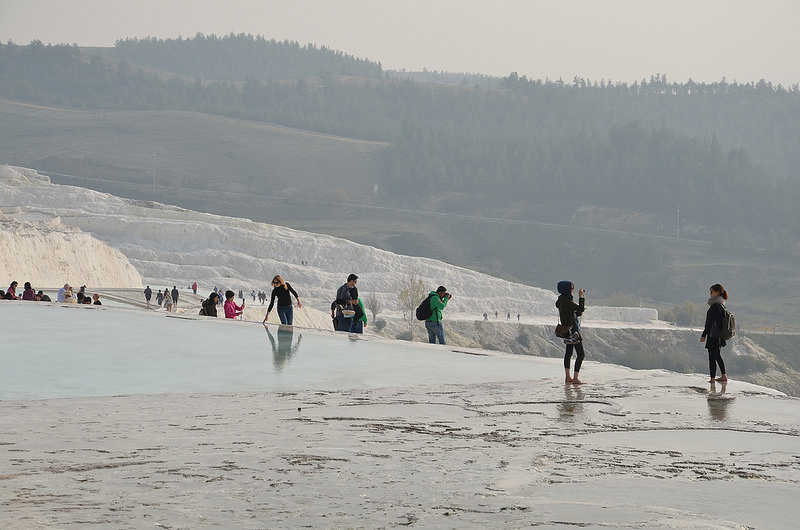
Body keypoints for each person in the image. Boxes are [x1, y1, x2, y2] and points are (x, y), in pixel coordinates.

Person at [556, 280, 586, 385]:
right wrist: (581, 296)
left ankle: (568, 377)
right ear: (567, 289)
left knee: (568, 353)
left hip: (566, 330)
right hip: (573, 331)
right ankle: (576, 378)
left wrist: (577, 312)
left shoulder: (561, 300)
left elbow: (572, 313)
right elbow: (580, 308)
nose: (572, 290)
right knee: (581, 354)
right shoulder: (567, 301)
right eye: (571, 288)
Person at [701, 283, 729, 383]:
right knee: (717, 356)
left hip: (713, 335)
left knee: (712, 357)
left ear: (717, 292)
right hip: (720, 336)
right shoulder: (722, 305)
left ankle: (712, 378)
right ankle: (723, 376)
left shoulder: (715, 306)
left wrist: (704, 335)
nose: (710, 294)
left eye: (712, 291)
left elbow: (709, 322)